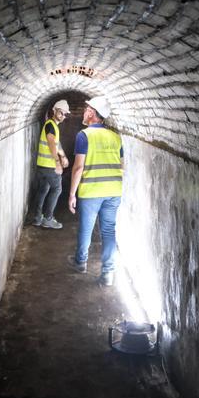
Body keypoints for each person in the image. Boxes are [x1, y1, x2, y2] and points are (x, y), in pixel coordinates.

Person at [67, 96, 123, 286]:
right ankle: (108, 274)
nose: (84, 112)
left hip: (91, 191)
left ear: (92, 113)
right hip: (114, 190)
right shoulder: (116, 137)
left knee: (86, 228)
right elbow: (122, 166)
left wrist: (71, 194)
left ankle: (81, 262)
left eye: (86, 109)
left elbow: (78, 167)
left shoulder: (84, 135)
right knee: (108, 231)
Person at [33, 100, 71, 228]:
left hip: (42, 165)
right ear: (54, 110)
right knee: (57, 188)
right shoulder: (51, 125)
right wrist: (57, 163)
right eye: (61, 113)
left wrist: (63, 155)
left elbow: (56, 143)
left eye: (65, 114)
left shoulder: (53, 126)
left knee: (43, 189)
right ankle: (48, 218)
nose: (63, 116)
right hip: (49, 165)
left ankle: (37, 217)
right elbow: (50, 143)